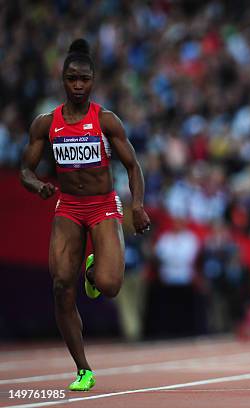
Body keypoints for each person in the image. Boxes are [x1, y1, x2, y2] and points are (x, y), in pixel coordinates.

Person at [20, 39, 151, 390]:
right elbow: (25, 170)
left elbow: (133, 165)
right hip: (68, 206)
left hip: (103, 204)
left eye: (84, 79)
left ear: (93, 81)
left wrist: (137, 205)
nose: (78, 85)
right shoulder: (45, 124)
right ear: (62, 79)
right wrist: (36, 186)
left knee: (109, 287)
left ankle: (93, 271)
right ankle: (83, 369)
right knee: (61, 285)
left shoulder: (105, 120)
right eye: (72, 78)